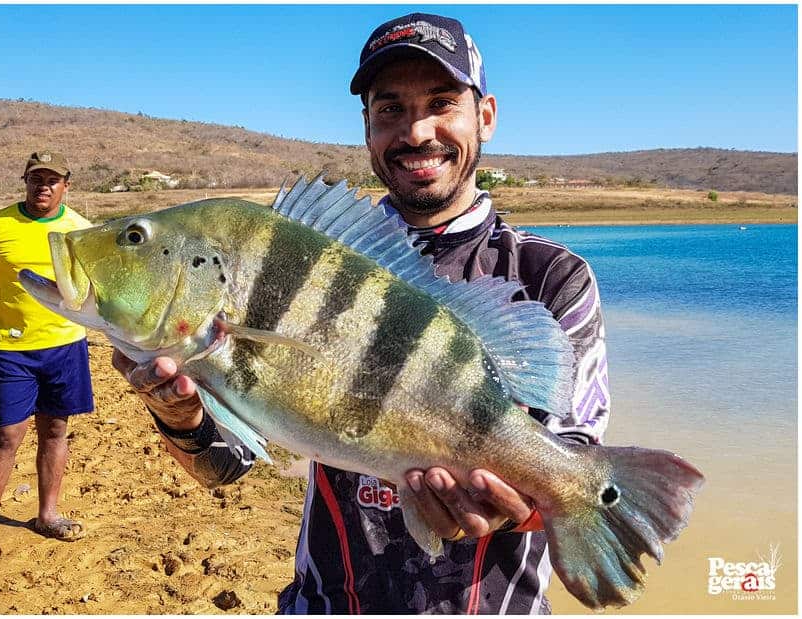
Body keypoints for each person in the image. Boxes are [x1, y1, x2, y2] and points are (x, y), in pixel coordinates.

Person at [113, 13, 609, 613]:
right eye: (390, 109)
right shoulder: (310, 256)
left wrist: (502, 510)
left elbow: (569, 459)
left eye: (442, 102)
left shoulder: (549, 277)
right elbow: (226, 470)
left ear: (485, 115)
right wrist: (180, 414)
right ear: (368, 127)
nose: (417, 131)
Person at [0, 151, 95, 564]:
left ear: (67, 184)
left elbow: (91, 289)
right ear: (25, 181)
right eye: (36, 179)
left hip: (66, 346)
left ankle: (47, 514)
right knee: (6, 435)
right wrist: (9, 311)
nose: (43, 187)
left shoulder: (81, 230)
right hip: (12, 350)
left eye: (51, 180)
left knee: (56, 431)